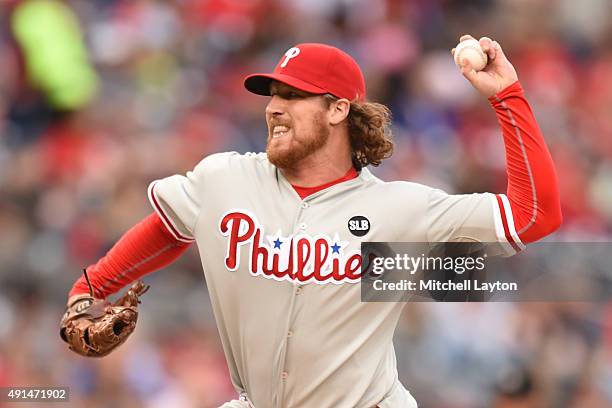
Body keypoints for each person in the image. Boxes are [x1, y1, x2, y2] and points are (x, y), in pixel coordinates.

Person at [61, 35, 562, 407]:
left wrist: (506, 95)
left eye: (294, 96)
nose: (275, 108)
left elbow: (534, 215)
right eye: (273, 95)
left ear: (339, 109)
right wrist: (88, 288)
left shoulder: (400, 210)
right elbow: (168, 228)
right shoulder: (225, 179)